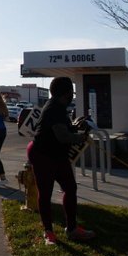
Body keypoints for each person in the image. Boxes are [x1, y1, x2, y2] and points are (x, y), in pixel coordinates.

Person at [27, 77, 95, 245]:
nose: (72, 95)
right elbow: (63, 136)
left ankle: (72, 229)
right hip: (43, 155)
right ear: (67, 93)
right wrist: (82, 137)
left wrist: (75, 126)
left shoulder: (58, 106)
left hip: (57, 154)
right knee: (45, 193)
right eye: (71, 92)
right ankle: (48, 232)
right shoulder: (54, 109)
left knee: (70, 188)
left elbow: (63, 129)